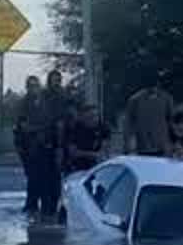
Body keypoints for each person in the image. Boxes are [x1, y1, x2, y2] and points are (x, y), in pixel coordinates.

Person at [31, 70, 70, 218]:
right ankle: (46, 209)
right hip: (45, 143)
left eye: (58, 80)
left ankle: (51, 209)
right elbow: (41, 119)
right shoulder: (44, 97)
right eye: (54, 80)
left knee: (55, 178)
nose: (57, 83)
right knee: (44, 178)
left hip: (57, 142)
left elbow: (63, 120)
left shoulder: (62, 96)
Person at [125, 71, 175, 156]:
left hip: (158, 145)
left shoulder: (166, 98)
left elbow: (171, 120)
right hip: (146, 144)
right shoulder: (135, 100)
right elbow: (129, 123)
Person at [12, 75, 43, 213]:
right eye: (31, 86)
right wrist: (42, 127)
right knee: (32, 176)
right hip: (27, 147)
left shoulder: (43, 103)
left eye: (36, 85)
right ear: (27, 88)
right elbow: (24, 127)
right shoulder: (24, 104)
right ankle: (31, 205)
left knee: (39, 176)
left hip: (39, 146)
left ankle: (35, 204)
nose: (34, 89)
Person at [63, 102, 112, 173]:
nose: (94, 119)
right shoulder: (74, 128)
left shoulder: (104, 127)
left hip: (97, 166)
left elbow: (105, 148)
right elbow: (73, 153)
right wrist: (93, 155)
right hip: (76, 167)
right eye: (90, 117)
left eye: (96, 116)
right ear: (82, 118)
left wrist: (102, 154)